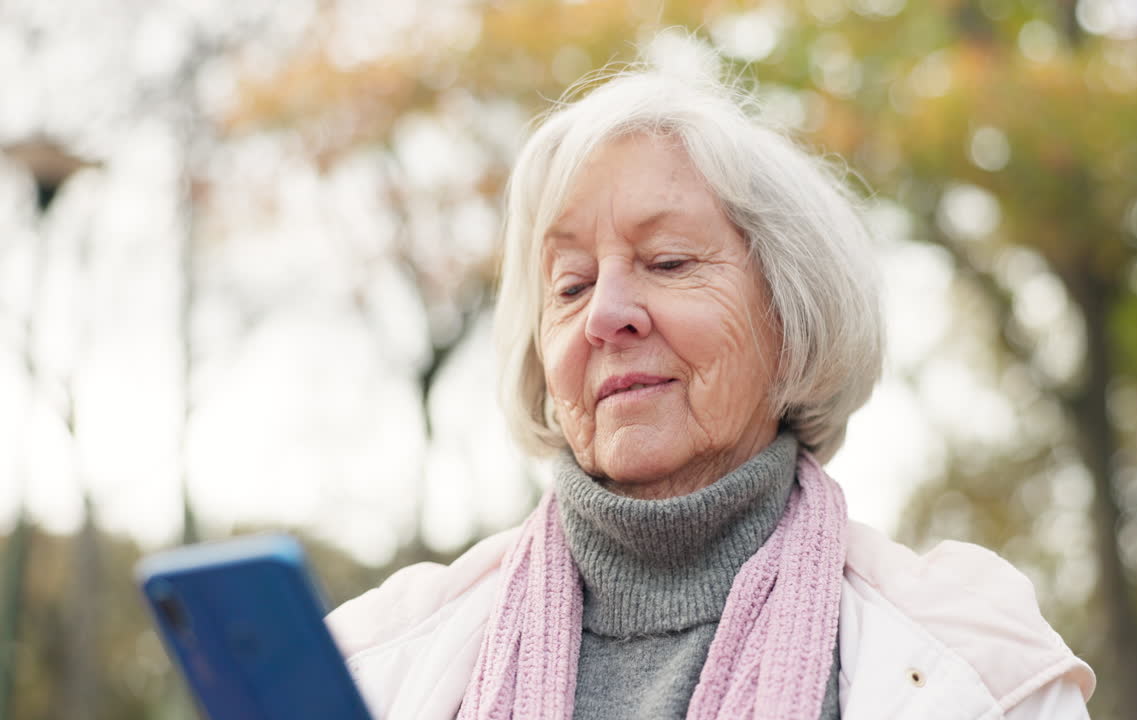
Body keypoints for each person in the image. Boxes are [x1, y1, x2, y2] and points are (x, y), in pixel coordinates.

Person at [326, 38, 1095, 720]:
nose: (606, 315)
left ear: (792, 319)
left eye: (668, 263)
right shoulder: (365, 667)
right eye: (570, 285)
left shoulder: (982, 675)